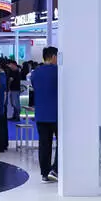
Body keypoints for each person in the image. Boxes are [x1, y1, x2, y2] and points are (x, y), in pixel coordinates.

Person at [31, 46, 59, 183]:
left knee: (44, 144)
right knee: (61, 143)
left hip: (41, 114)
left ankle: (45, 173)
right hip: (56, 114)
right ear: (53, 57)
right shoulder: (58, 71)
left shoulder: (35, 73)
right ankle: (56, 169)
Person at [0, 60, 9, 153]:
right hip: (1, 105)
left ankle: (0, 145)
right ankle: (3, 145)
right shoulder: (2, 76)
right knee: (2, 125)